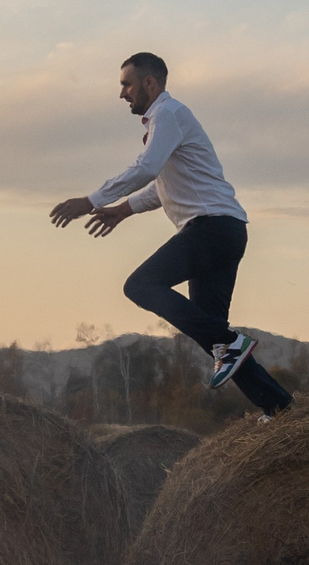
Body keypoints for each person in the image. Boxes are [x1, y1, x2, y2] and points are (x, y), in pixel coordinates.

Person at [48, 53, 293, 417]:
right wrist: (123, 210)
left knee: (140, 286)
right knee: (216, 340)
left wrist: (92, 200)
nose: (122, 94)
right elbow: (161, 185)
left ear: (149, 83)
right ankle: (281, 408)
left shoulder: (167, 113)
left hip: (210, 229)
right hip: (225, 231)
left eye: (126, 85)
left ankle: (231, 344)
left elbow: (147, 168)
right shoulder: (167, 120)